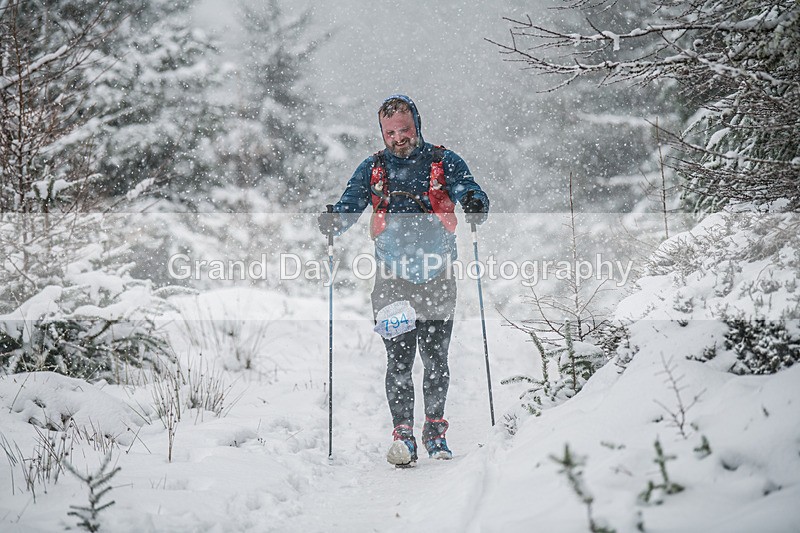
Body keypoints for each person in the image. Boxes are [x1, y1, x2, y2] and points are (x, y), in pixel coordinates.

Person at [318, 94, 489, 468]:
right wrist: (334, 220)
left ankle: (435, 432)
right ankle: (403, 437)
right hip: (391, 281)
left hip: (438, 277)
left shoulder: (444, 161)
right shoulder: (373, 168)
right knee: (399, 361)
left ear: (417, 125)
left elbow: (468, 188)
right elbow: (350, 205)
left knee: (435, 359)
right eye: (391, 133)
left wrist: (476, 202)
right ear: (383, 134)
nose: (399, 138)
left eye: (405, 129)